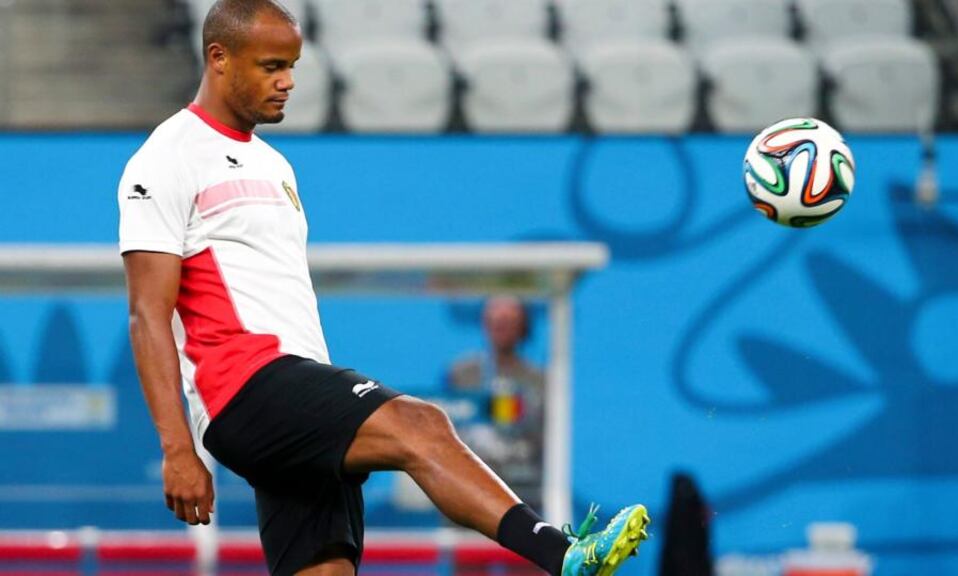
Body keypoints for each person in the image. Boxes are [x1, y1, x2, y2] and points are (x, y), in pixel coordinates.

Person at [117, 1, 648, 575]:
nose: (287, 81)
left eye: (292, 66)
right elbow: (147, 313)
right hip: (244, 388)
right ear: (219, 58)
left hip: (296, 391)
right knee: (420, 425)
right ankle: (562, 554)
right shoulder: (165, 158)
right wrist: (177, 448)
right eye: (271, 66)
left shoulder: (275, 166)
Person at [447, 296, 545, 510]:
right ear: (485, 323)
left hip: (521, 494)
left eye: (509, 321)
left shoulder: (539, 380)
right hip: (469, 492)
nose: (501, 327)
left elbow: (546, 440)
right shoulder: (462, 373)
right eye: (496, 321)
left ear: (523, 326)